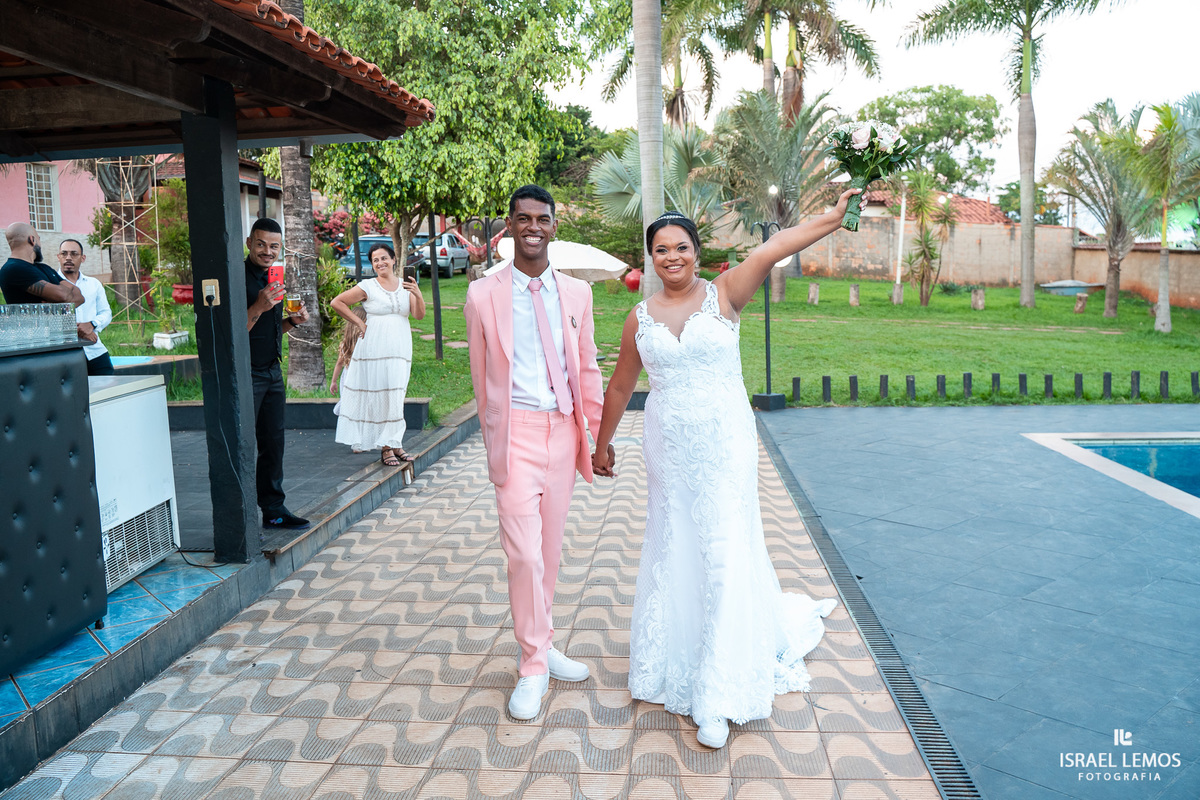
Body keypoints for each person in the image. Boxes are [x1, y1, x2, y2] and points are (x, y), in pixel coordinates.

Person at [590, 188, 861, 749]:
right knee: (677, 546)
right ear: (650, 256)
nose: (672, 257)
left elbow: (775, 246)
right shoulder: (639, 317)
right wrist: (601, 444)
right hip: (669, 448)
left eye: (682, 247)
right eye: (662, 249)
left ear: (697, 251)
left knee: (722, 549)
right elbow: (619, 386)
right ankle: (678, 658)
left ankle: (717, 691)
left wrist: (833, 219)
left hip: (724, 444)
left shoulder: (726, 294)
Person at [464, 184, 608, 721]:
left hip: (563, 432)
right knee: (523, 554)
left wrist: (597, 438)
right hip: (516, 434)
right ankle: (531, 664)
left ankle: (543, 646)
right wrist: (495, 444)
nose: (533, 227)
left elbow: (586, 367)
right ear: (510, 225)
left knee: (548, 552)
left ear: (553, 226)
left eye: (541, 219)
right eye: (523, 218)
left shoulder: (576, 294)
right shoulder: (483, 295)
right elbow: (481, 380)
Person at [329, 242, 426, 464]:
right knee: (382, 395)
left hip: (400, 348)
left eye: (384, 258)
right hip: (374, 348)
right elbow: (337, 302)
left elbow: (419, 315)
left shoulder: (406, 285)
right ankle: (386, 447)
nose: (380, 263)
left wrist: (417, 294)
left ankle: (395, 442)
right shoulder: (368, 286)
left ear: (393, 260)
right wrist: (359, 323)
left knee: (396, 395)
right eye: (375, 260)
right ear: (372, 265)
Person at [244, 217, 310, 531]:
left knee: (273, 443)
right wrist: (259, 305)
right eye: (260, 244)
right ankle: (241, 515)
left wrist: (292, 322)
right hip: (246, 375)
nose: (267, 251)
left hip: (271, 371)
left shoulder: (274, 279)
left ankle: (273, 510)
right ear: (249, 243)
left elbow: (267, 331)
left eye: (274, 246)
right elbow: (232, 334)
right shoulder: (237, 279)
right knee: (244, 444)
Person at [57, 239, 114, 376]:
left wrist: (91, 324)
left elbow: (106, 312)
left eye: (74, 254)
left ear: (83, 258)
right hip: (64, 355)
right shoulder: (50, 285)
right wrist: (78, 330)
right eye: (64, 254)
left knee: (108, 385)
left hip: (94, 350)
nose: (68, 258)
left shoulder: (93, 284)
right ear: (58, 257)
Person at [1, 222, 84, 307]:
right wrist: (66, 294)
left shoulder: (44, 268)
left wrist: (53, 305)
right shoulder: (12, 269)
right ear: (32, 240)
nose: (40, 244)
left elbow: (79, 296)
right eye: (39, 239)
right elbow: (62, 295)